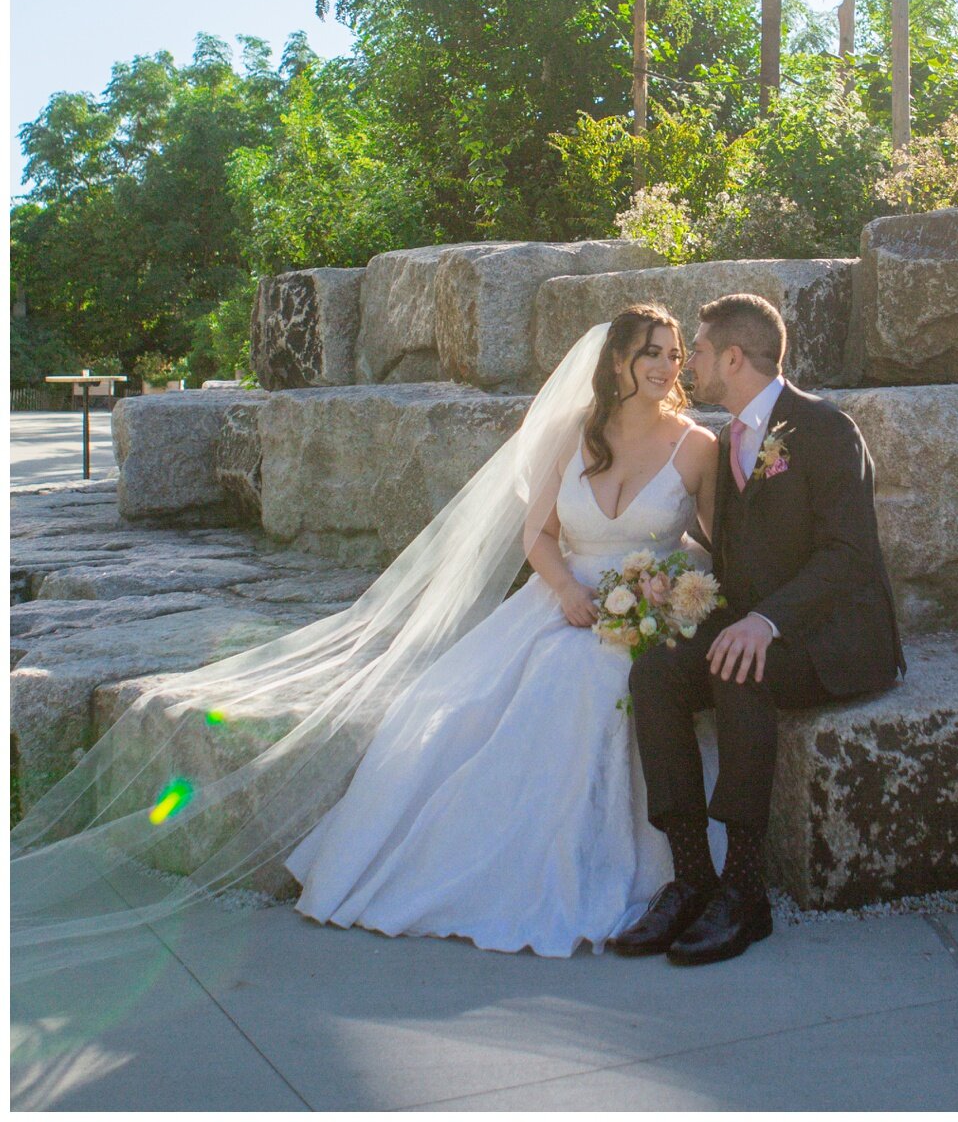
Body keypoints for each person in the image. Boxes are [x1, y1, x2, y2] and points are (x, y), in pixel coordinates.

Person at [282, 303, 720, 957]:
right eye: (650, 352)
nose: (665, 366)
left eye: (674, 353)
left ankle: (619, 868)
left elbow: (717, 542)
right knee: (479, 696)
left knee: (592, 679)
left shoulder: (697, 445)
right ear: (617, 363)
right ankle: (490, 862)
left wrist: (677, 601)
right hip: (563, 599)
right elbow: (538, 535)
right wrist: (569, 590)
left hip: (653, 611)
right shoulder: (575, 433)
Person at [609, 291, 904, 967]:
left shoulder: (825, 430)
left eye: (703, 351)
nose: (691, 363)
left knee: (739, 667)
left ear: (735, 357)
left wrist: (767, 622)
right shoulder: (730, 437)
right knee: (656, 671)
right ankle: (691, 877)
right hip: (759, 621)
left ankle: (745, 891)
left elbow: (848, 555)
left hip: (833, 635)